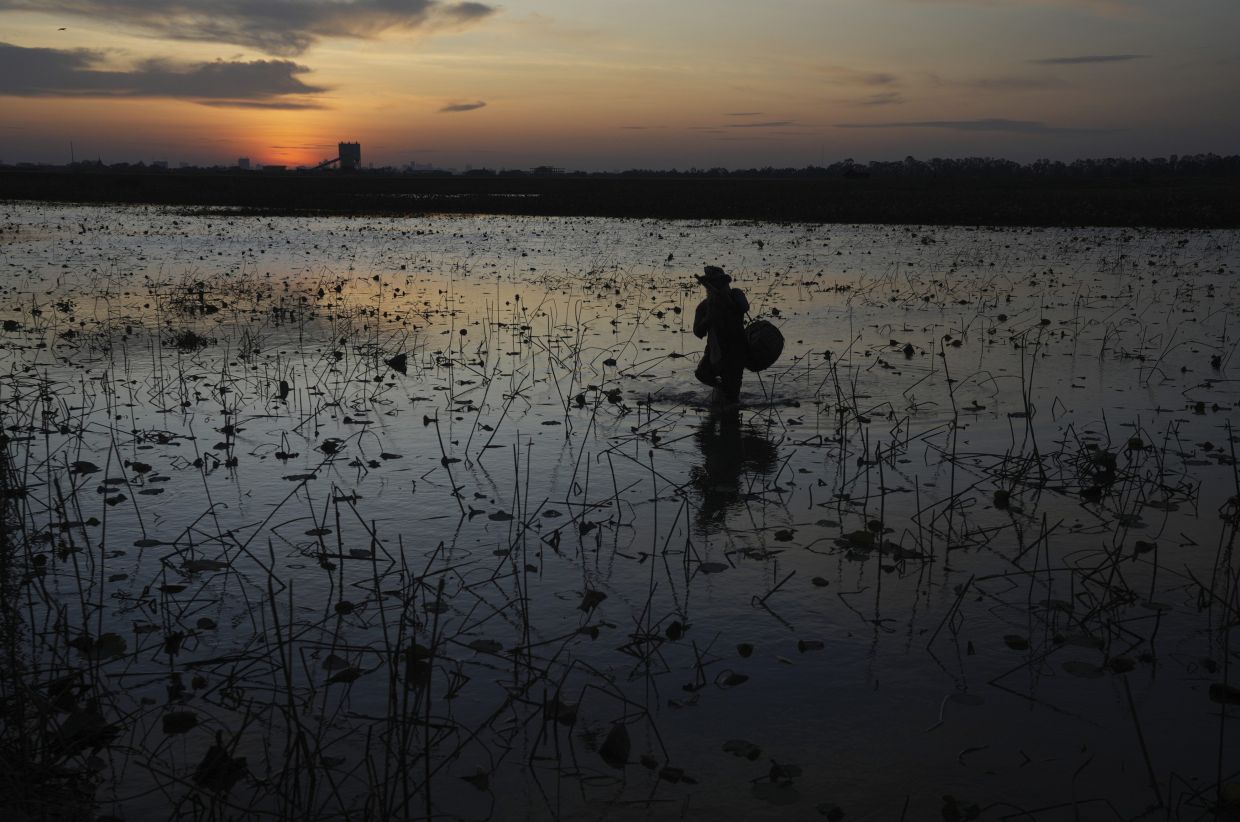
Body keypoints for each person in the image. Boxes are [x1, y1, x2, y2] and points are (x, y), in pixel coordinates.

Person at [693, 265, 749, 404]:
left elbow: (744, 307)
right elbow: (698, 332)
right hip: (714, 351)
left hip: (735, 352)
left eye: (721, 284)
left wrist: (725, 301)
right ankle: (720, 388)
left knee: (732, 400)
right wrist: (708, 318)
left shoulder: (735, 295)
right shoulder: (704, 306)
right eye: (713, 284)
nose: (718, 287)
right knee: (702, 374)